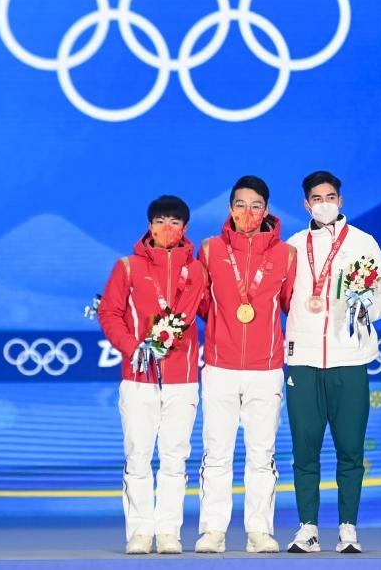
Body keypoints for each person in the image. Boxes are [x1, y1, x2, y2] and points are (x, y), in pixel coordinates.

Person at [283, 171, 381, 553]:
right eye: (317, 198)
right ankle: (308, 528)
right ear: (306, 205)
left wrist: (368, 312)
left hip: (350, 358)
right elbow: (281, 298)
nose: (324, 204)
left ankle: (348, 528)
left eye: (330, 197)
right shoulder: (293, 246)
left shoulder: (363, 242)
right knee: (305, 449)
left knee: (350, 449)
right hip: (304, 361)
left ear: (341, 200)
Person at [97, 195, 209, 555]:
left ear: (185, 228)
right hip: (138, 378)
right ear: (149, 226)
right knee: (138, 455)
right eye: (160, 221)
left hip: (182, 379)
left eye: (175, 222)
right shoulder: (128, 267)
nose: (167, 228)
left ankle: (169, 532)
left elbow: (210, 312)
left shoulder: (197, 271)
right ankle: (140, 532)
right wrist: (133, 348)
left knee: (175, 458)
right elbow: (110, 313)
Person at [194, 175, 296, 554]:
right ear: (230, 208)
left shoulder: (286, 255)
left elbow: (291, 306)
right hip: (219, 366)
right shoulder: (210, 250)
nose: (248, 212)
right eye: (241, 205)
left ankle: (259, 532)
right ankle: (212, 531)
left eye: (256, 206)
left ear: (266, 210)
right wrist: (224, 329)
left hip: (266, 369)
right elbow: (200, 303)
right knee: (216, 453)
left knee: (262, 454)